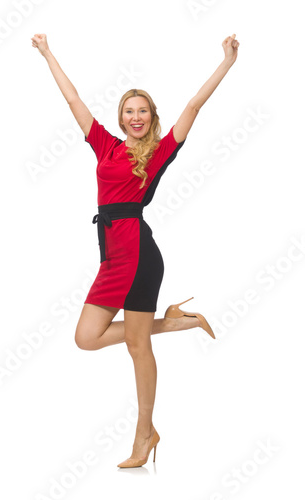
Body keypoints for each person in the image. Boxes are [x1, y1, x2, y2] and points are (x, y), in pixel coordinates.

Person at [31, 32, 240, 468]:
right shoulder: (106, 145)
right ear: (121, 118)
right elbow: (73, 101)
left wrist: (226, 63)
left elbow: (193, 107)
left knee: (137, 348)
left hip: (141, 256)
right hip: (112, 256)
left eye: (143, 110)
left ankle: (145, 435)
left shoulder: (160, 151)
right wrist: (48, 52)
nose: (136, 116)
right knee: (85, 337)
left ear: (151, 117)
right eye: (129, 111)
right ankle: (176, 322)